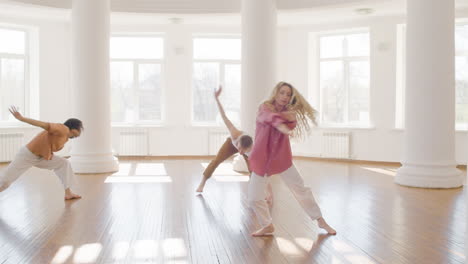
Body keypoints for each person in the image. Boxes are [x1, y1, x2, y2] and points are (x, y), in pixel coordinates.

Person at [247, 81, 336, 237]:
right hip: (262, 160)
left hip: (282, 159)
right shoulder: (264, 107)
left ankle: (320, 220)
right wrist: (282, 124)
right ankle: (267, 225)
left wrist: (286, 120)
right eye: (282, 92)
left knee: (301, 189)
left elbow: (291, 122)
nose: (285, 97)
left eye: (288, 94)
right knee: (254, 198)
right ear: (276, 92)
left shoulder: (291, 114)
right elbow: (269, 118)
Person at [196, 86, 273, 203]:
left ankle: (258, 193)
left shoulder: (254, 150)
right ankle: (202, 183)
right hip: (230, 144)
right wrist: (216, 99)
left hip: (251, 152)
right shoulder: (234, 133)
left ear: (249, 148)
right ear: (239, 143)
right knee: (217, 160)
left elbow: (264, 171)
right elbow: (223, 116)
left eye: (243, 151)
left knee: (254, 170)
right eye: (240, 149)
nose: (240, 153)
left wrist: (269, 192)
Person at [0, 106, 83, 200]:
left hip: (41, 158)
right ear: (73, 127)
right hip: (28, 155)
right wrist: (22, 119)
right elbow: (44, 125)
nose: (80, 132)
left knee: (64, 163)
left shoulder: (65, 137)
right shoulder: (63, 129)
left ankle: (68, 193)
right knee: (5, 180)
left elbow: (48, 144)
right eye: (80, 128)